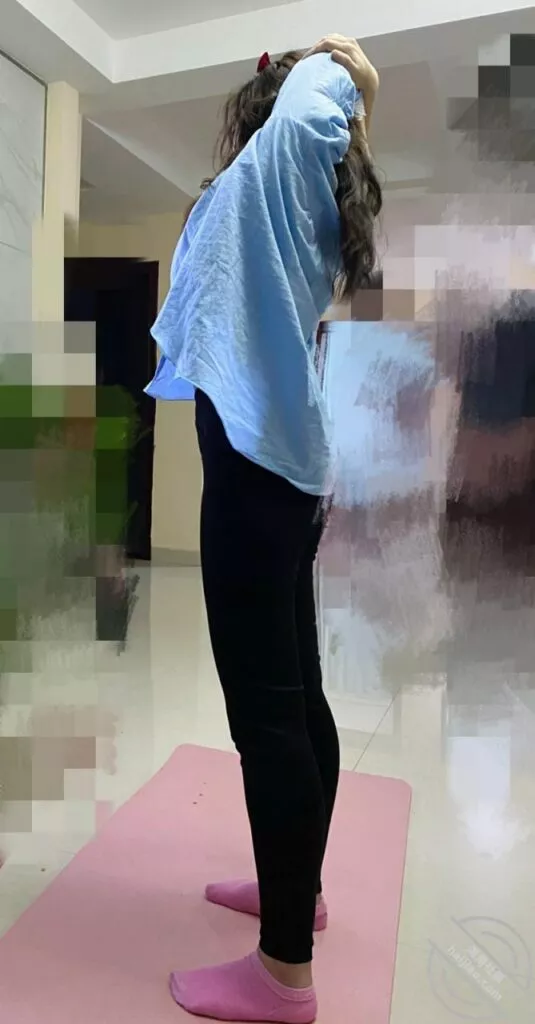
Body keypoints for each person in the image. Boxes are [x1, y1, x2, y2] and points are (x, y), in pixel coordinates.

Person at [145, 35, 382, 1024]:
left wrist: (349, 74)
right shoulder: (295, 207)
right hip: (279, 474)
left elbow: (316, 99)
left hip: (257, 476)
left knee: (267, 718)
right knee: (296, 697)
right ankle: (301, 891)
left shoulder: (277, 174)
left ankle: (284, 973)